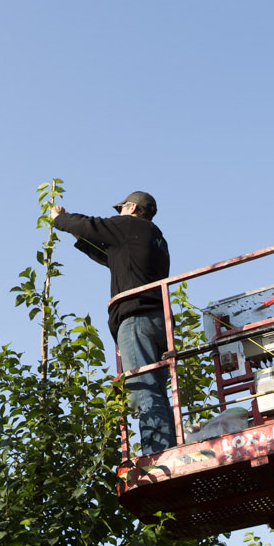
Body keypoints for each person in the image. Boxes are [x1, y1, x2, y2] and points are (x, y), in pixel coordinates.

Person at [50, 191, 176, 453]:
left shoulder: (128, 225)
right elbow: (108, 256)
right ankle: (168, 447)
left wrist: (60, 219)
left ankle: (157, 454)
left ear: (131, 208)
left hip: (136, 320)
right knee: (158, 392)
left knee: (143, 390)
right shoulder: (154, 239)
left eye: (120, 209)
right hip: (159, 323)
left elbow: (91, 225)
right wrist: (79, 238)